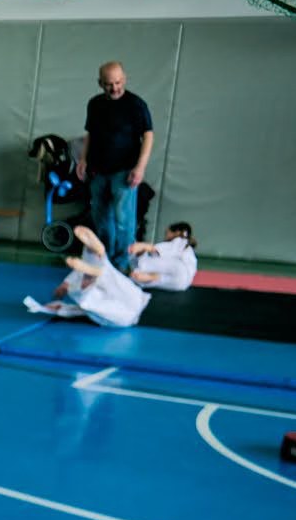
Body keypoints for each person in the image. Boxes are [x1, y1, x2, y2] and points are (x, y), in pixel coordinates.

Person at [76, 61, 153, 272]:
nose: (114, 88)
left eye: (118, 82)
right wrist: (82, 159)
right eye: (109, 84)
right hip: (98, 171)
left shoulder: (136, 105)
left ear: (124, 79)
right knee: (102, 220)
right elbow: (90, 134)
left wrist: (140, 166)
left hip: (125, 171)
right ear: (100, 83)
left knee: (123, 220)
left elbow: (148, 136)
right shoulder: (94, 104)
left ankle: (123, 265)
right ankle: (105, 261)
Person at [22, 224, 151, 327]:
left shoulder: (88, 284)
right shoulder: (81, 288)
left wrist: (57, 307)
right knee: (92, 292)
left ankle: (94, 266)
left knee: (92, 293)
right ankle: (95, 263)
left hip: (127, 309)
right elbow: (75, 309)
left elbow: (76, 309)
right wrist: (59, 308)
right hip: (129, 306)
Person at [129, 222, 197, 290]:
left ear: (177, 232)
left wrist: (144, 246)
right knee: (160, 278)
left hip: (180, 270)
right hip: (183, 284)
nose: (165, 236)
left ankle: (140, 272)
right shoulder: (187, 250)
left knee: (145, 260)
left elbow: (157, 250)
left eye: (166, 233)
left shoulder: (182, 241)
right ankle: (148, 277)